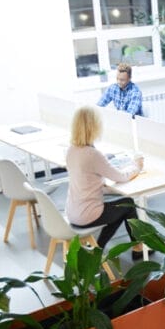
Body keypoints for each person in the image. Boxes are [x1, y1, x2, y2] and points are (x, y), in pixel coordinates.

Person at [65, 105, 145, 259]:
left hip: (72, 212)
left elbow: (88, 180)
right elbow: (121, 177)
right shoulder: (92, 154)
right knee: (127, 204)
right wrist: (137, 167)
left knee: (118, 209)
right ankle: (136, 248)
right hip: (87, 215)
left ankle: (100, 248)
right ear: (93, 126)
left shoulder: (71, 150)